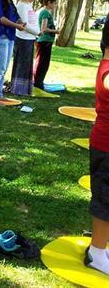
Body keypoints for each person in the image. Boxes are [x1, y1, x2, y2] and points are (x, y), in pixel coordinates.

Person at [85, 17, 109, 275]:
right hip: (106, 145)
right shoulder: (107, 71)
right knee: (105, 200)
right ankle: (97, 253)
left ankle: (102, 248)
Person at [10, 0, 40, 96]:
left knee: (27, 64)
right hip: (23, 39)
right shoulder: (22, 5)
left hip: (30, 38)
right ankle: (18, 89)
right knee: (22, 64)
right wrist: (38, 32)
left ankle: (25, 89)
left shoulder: (29, 5)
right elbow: (24, 24)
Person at [33, 0, 59, 90]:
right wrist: (56, 31)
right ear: (49, 3)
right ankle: (38, 84)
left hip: (43, 41)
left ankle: (38, 82)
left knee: (40, 61)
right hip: (45, 41)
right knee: (42, 63)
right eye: (54, 3)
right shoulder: (45, 12)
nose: (55, 5)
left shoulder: (41, 11)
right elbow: (43, 29)